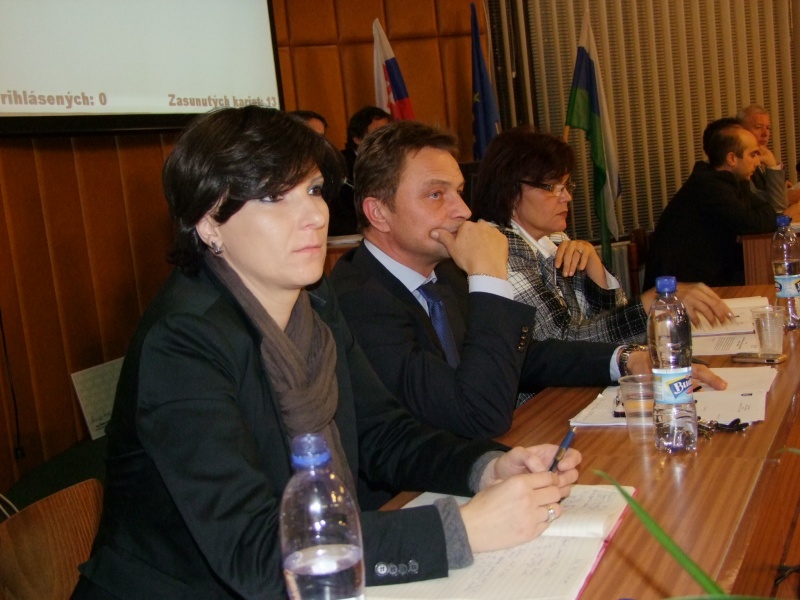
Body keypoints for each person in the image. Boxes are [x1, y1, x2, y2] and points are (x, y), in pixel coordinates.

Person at [71, 106, 587, 599]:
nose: (313, 216)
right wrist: (463, 529)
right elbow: (254, 552)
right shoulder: (182, 342)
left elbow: (384, 434)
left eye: (314, 190)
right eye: (274, 197)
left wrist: (487, 469)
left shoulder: (314, 304)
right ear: (209, 222)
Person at [329, 121, 725, 439]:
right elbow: (476, 414)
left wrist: (628, 360)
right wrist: (487, 276)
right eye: (436, 194)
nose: (462, 210)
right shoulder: (359, 301)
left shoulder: (442, 275)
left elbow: (527, 357)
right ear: (378, 213)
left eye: (459, 192)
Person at [469, 127, 732, 344]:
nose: (567, 197)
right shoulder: (499, 252)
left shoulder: (555, 239)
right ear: (510, 192)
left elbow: (612, 328)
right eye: (552, 187)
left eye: (566, 185)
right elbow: (561, 343)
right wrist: (650, 303)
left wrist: (595, 268)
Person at [645, 119, 780, 288]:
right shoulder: (711, 186)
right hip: (678, 288)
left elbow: (765, 213)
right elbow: (752, 223)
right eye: (752, 155)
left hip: (703, 276)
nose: (758, 162)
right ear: (732, 158)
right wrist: (763, 213)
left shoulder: (725, 180)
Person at [331, 106, 392, 236]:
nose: (385, 139)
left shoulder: (394, 162)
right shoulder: (339, 164)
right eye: (378, 133)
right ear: (357, 139)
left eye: (388, 133)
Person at [737, 104, 800, 212]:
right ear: (742, 131)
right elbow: (774, 206)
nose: (765, 134)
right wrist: (786, 197)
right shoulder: (740, 163)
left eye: (768, 128)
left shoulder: (763, 156)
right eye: (758, 127)